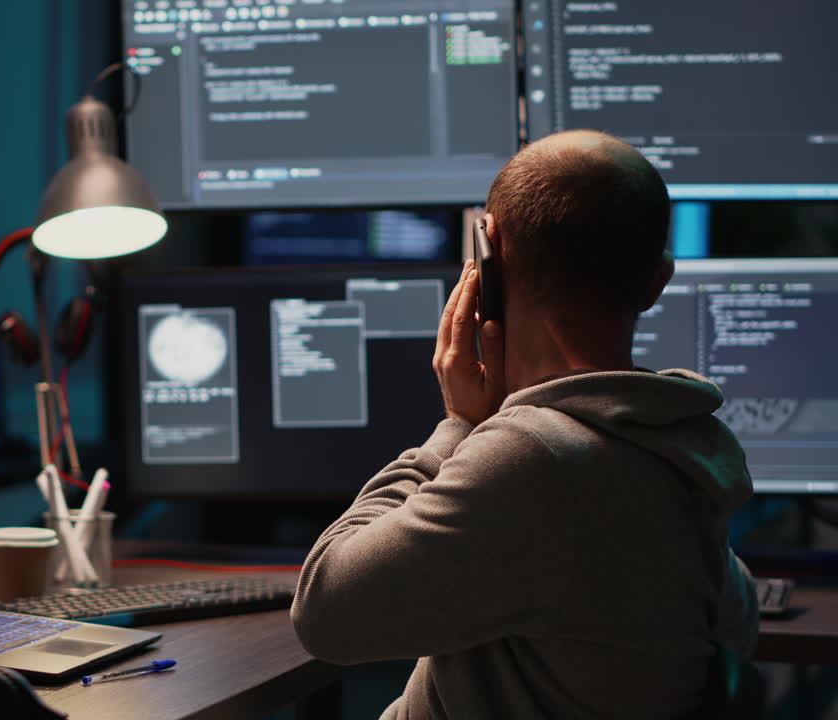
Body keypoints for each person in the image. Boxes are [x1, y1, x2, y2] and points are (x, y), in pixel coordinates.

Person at [290, 130, 759, 719]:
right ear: (657, 281)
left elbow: (324, 615)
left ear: (490, 269)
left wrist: (458, 426)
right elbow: (736, 616)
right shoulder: (679, 444)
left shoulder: (536, 456)